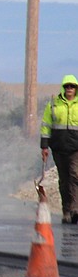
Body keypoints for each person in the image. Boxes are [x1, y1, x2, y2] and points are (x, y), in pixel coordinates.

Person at [41, 76, 78, 224]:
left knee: (75, 176)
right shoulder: (53, 104)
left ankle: (75, 208)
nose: (69, 89)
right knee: (64, 181)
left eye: (72, 86)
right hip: (59, 148)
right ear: (63, 88)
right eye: (67, 86)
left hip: (76, 148)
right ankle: (66, 211)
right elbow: (45, 125)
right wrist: (44, 146)